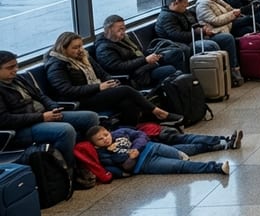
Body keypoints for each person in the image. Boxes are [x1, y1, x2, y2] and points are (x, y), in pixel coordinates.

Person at [44, 33, 184, 127]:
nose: (80, 50)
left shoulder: (84, 56)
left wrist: (110, 82)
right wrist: (99, 87)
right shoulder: (56, 65)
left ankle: (131, 129)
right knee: (126, 91)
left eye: (81, 46)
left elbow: (102, 73)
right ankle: (159, 112)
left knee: (127, 101)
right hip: (81, 100)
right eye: (75, 47)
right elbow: (65, 90)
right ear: (63, 48)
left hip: (95, 92)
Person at [0, 50, 99, 169]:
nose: (15, 69)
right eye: (10, 67)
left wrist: (54, 108)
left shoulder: (20, 79)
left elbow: (41, 96)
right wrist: (42, 117)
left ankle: (89, 158)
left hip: (43, 115)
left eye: (16, 65)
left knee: (90, 117)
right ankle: (69, 169)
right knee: (65, 130)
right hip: (21, 129)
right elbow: (5, 119)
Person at [155, 0, 244, 86]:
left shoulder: (184, 12)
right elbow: (177, 35)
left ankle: (232, 72)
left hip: (197, 37)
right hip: (182, 43)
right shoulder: (166, 17)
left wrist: (203, 28)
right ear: (176, 2)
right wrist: (199, 32)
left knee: (227, 38)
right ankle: (217, 80)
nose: (187, 5)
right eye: (185, 3)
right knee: (210, 46)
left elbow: (194, 24)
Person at [89, 125, 230, 177]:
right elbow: (115, 166)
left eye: (106, 135)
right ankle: (216, 167)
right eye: (100, 140)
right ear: (95, 145)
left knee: (187, 149)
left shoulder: (120, 132)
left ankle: (223, 143)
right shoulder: (103, 154)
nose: (106, 139)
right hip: (145, 164)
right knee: (179, 166)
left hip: (151, 147)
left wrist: (135, 149)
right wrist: (126, 157)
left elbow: (140, 135)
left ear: (109, 131)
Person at [94, 15, 186, 90]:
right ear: (109, 30)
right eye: (120, 29)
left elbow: (138, 52)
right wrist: (145, 60)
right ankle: (173, 90)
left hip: (145, 65)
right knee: (170, 69)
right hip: (137, 74)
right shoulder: (104, 49)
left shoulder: (122, 39)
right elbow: (119, 67)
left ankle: (183, 82)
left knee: (176, 53)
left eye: (123, 28)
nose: (123, 32)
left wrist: (151, 57)